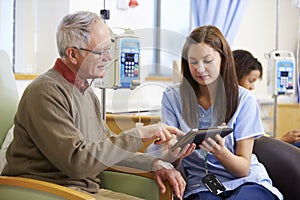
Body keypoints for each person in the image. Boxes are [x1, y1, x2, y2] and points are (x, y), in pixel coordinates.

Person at [2, 11, 195, 200]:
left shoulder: (86, 93)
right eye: (101, 51)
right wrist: (139, 135)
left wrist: (155, 163)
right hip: (49, 190)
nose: (109, 57)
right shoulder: (46, 92)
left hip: (83, 191)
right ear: (73, 54)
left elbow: (107, 152)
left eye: (109, 49)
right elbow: (77, 162)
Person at [160, 25, 283, 199]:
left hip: (246, 181)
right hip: (202, 185)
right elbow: (169, 159)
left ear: (223, 59)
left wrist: (220, 152)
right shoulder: (172, 97)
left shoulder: (244, 100)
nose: (200, 69)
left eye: (208, 60)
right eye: (193, 62)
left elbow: (242, 169)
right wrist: (175, 153)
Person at [233, 49, 300, 148]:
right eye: (251, 80)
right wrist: (283, 140)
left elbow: (258, 138)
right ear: (236, 76)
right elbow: (254, 146)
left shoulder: (245, 102)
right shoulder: (240, 104)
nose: (253, 87)